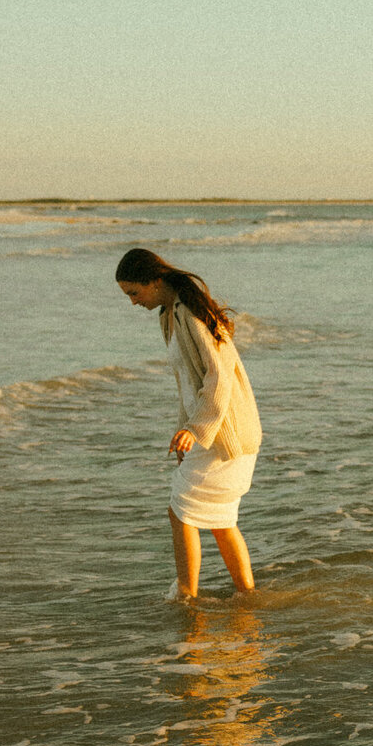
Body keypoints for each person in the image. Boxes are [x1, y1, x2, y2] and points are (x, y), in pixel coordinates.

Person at [116, 249, 263, 600]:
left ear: (155, 281)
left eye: (134, 293)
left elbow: (219, 377)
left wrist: (196, 430)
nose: (133, 302)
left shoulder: (192, 312)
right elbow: (188, 382)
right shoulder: (171, 313)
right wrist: (186, 432)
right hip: (213, 432)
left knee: (180, 512)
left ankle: (186, 595)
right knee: (221, 522)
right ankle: (247, 594)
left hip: (227, 434)